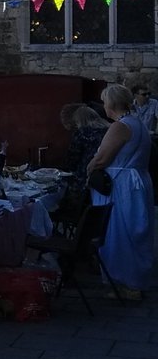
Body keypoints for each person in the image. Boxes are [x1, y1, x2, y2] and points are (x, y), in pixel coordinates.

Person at [86, 84, 154, 301]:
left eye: (105, 101)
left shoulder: (120, 126)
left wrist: (89, 170)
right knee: (135, 231)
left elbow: (102, 158)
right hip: (137, 181)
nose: (104, 106)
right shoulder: (139, 124)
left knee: (119, 232)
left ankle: (126, 282)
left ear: (111, 104)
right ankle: (135, 280)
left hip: (120, 185)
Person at [62, 104, 110, 203]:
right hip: (107, 175)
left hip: (85, 176)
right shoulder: (108, 130)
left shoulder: (82, 133)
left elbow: (72, 158)